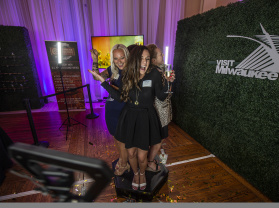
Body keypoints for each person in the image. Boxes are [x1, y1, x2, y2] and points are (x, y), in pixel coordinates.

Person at [88, 45, 174, 191]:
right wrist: (102, 82)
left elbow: (161, 96)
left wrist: (169, 82)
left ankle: (142, 172)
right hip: (129, 117)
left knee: (142, 156)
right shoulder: (128, 74)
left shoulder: (153, 73)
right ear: (135, 59)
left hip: (146, 118)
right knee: (131, 153)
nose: (145, 62)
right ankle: (136, 174)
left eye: (147, 59)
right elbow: (121, 97)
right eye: (141, 59)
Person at [90, 44, 130, 176]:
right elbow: (96, 77)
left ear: (127, 57)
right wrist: (95, 60)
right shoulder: (113, 69)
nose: (119, 61)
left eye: (122, 58)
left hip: (122, 111)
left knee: (122, 140)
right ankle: (123, 159)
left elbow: (122, 97)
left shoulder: (131, 73)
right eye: (116, 58)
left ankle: (125, 164)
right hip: (110, 110)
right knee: (115, 138)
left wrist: (105, 83)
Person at [146, 44, 175, 172]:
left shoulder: (154, 71)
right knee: (158, 140)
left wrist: (168, 79)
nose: (162, 55)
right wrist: (169, 82)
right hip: (159, 113)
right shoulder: (155, 73)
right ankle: (150, 163)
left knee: (155, 139)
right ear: (153, 60)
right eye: (160, 54)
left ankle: (148, 159)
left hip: (156, 111)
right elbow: (161, 96)